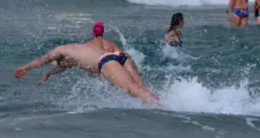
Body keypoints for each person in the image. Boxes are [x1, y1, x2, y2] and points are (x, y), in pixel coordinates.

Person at [15, 43, 160, 105]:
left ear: (58, 59)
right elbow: (63, 66)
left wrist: (25, 67)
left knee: (133, 90)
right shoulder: (75, 48)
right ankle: (161, 101)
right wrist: (48, 74)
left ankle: (160, 109)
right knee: (141, 88)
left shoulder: (58, 51)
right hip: (119, 55)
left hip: (106, 61)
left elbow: (42, 60)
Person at [38, 22, 144, 87]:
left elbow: (68, 63)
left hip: (98, 70)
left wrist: (48, 74)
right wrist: (136, 69)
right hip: (112, 68)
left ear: (93, 32)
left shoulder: (89, 44)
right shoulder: (110, 44)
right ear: (103, 32)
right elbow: (125, 56)